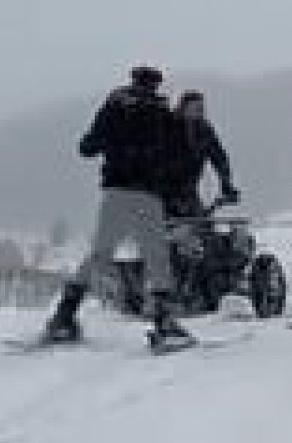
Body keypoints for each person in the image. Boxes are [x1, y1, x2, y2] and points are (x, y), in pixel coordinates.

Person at [42, 65, 195, 349]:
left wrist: (114, 147)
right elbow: (177, 156)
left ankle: (64, 316)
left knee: (100, 254)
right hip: (147, 193)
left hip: (114, 191)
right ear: (156, 85)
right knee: (156, 256)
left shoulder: (112, 108)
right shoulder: (160, 113)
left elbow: (86, 147)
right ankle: (165, 324)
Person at [166, 90, 239, 218]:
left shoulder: (204, 130)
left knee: (201, 228)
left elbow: (219, 158)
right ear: (183, 108)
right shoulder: (167, 127)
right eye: (196, 108)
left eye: (202, 108)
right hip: (163, 192)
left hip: (188, 191)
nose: (200, 111)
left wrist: (226, 183)